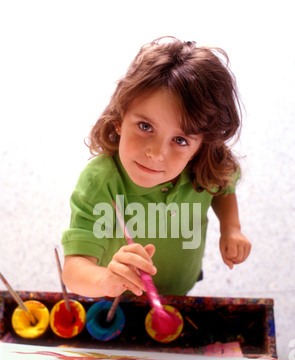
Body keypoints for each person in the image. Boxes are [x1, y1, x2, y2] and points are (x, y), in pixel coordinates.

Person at [61, 37, 251, 299]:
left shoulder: (205, 166)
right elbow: (73, 270)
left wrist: (231, 227)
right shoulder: (100, 182)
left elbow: (223, 186)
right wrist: (106, 279)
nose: (156, 154)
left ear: (200, 148)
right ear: (119, 119)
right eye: (145, 126)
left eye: (181, 140)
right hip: (116, 298)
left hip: (179, 284)